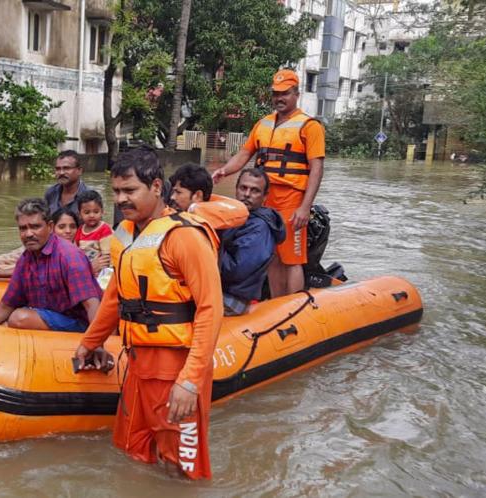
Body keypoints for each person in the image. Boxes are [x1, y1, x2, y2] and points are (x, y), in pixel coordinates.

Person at [74, 146, 223, 480]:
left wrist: (190, 380)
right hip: (137, 364)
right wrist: (90, 342)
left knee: (181, 468)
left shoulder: (184, 237)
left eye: (130, 190)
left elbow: (211, 309)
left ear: (156, 187)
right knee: (131, 450)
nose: (121, 199)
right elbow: (115, 298)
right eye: (116, 191)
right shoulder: (125, 235)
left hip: (175, 366)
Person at [212, 69, 325, 297]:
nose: (279, 98)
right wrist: (224, 170)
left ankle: (294, 308)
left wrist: (305, 207)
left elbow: (317, 169)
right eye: (275, 94)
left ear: (296, 94)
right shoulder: (262, 124)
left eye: (285, 93)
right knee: (271, 254)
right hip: (264, 199)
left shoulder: (309, 126)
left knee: (292, 258)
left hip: (292, 200)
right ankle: (275, 304)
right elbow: (244, 155)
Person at [0, 199, 101, 331]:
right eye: (23, 228)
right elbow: (6, 305)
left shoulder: (69, 257)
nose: (28, 234)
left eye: (35, 227)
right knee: (6, 321)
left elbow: (92, 305)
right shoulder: (26, 259)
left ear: (50, 227)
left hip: (79, 323)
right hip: (50, 316)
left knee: (19, 318)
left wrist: (94, 344)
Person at [218, 168, 285, 315]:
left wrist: (209, 246)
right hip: (220, 291)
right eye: (243, 188)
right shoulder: (234, 216)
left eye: (255, 191)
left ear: (265, 196)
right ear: (236, 189)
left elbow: (235, 271)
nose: (247, 194)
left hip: (231, 299)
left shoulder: (260, 228)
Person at [0, 208, 81, 288]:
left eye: (72, 227)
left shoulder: (77, 251)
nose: (68, 231)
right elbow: (21, 265)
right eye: (62, 227)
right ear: (51, 228)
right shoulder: (42, 245)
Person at [73, 190, 113, 276]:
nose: (92, 215)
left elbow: (106, 256)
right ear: (80, 214)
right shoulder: (80, 230)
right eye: (87, 212)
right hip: (86, 268)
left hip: (101, 270)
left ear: (102, 212)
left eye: (96, 211)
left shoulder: (104, 229)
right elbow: (76, 251)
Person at [44, 150, 91, 216]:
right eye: (58, 169)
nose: (61, 173)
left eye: (66, 168)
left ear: (79, 171)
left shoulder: (90, 196)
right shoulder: (50, 193)